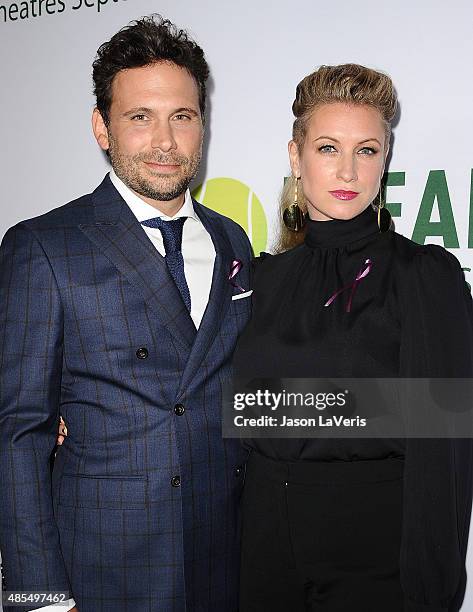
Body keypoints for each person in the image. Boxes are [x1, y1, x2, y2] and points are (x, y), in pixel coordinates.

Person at [0, 15, 252, 612]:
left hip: (223, 561)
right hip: (103, 569)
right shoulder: (44, 245)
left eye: (182, 117)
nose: (165, 141)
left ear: (202, 124)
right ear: (102, 127)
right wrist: (38, 597)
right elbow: (17, 433)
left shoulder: (232, 241)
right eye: (140, 117)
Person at [233, 64, 473, 611]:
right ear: (296, 157)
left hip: (375, 551)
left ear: (384, 160)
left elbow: (445, 447)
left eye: (366, 150)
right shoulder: (259, 278)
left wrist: (431, 588)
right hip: (261, 543)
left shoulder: (424, 276)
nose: (347, 169)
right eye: (327, 148)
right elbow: (226, 411)